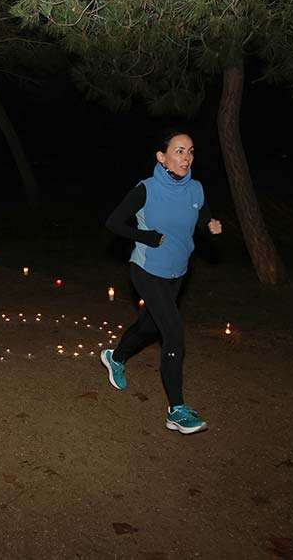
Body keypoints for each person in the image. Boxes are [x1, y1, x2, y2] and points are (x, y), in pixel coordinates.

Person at [101, 130, 222, 435]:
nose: (187, 157)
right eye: (179, 151)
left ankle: (114, 357)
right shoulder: (146, 189)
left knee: (149, 327)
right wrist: (147, 237)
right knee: (173, 333)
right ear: (162, 157)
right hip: (147, 269)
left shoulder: (196, 189)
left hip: (178, 272)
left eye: (191, 151)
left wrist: (211, 226)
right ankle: (177, 411)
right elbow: (113, 222)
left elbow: (202, 219)